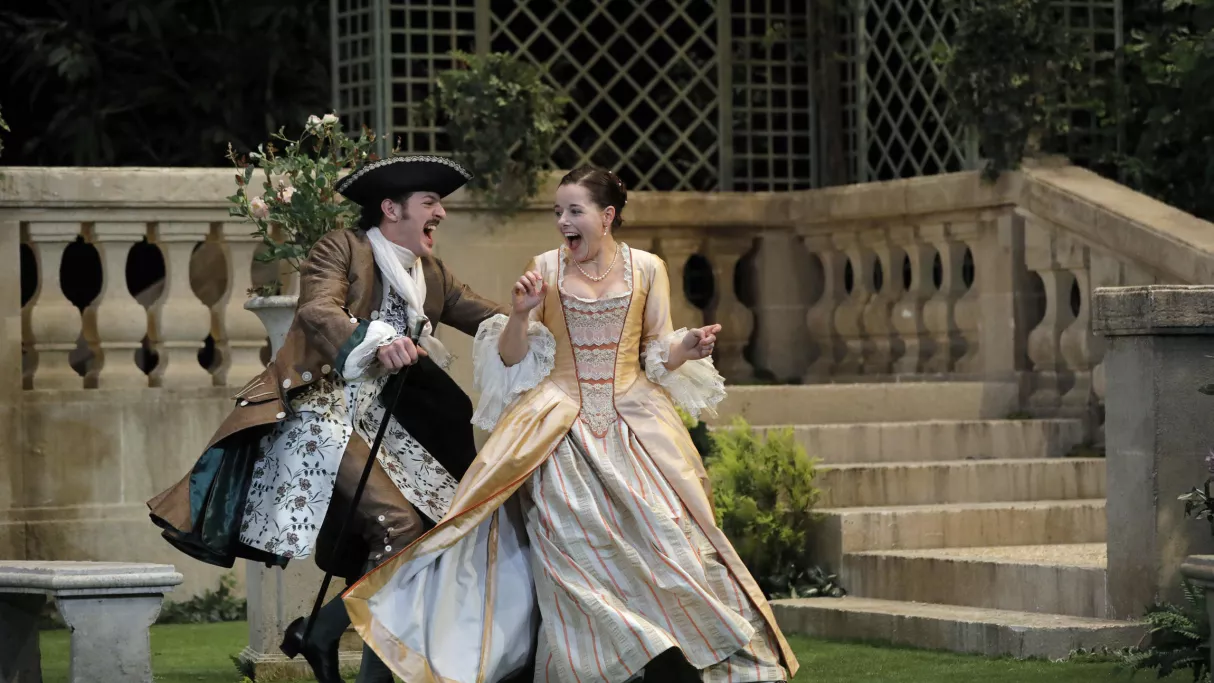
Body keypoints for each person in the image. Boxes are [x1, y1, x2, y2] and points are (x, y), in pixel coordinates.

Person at [343, 166, 799, 683]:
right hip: (558, 427)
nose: (563, 221)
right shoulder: (544, 269)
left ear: (607, 216)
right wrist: (520, 313)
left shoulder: (648, 268)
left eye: (574, 210)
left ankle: (681, 650)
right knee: (572, 551)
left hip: (635, 424)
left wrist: (686, 348)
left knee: (667, 537)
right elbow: (512, 357)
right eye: (558, 211)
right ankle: (603, 664)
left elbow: (656, 351)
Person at [146, 155, 506, 683]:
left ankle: (322, 633)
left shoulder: (430, 274)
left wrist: (538, 312)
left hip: (378, 421)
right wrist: (376, 342)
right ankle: (334, 643)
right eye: (430, 202)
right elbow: (318, 310)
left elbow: (487, 314)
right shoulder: (343, 247)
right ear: (391, 209)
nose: (441, 213)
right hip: (318, 408)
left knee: (433, 531)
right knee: (399, 524)